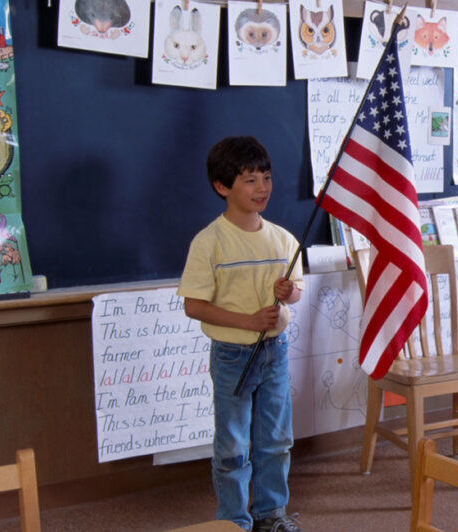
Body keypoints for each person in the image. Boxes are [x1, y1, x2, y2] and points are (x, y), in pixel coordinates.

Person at [178, 136, 304, 532]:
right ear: (222, 186)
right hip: (232, 354)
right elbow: (193, 305)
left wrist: (288, 293)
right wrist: (248, 321)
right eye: (250, 180)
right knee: (233, 445)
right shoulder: (209, 241)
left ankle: (271, 516)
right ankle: (234, 521)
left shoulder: (282, 238)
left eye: (266, 177)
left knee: (276, 440)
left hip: (275, 352)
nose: (262, 188)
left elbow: (295, 291)